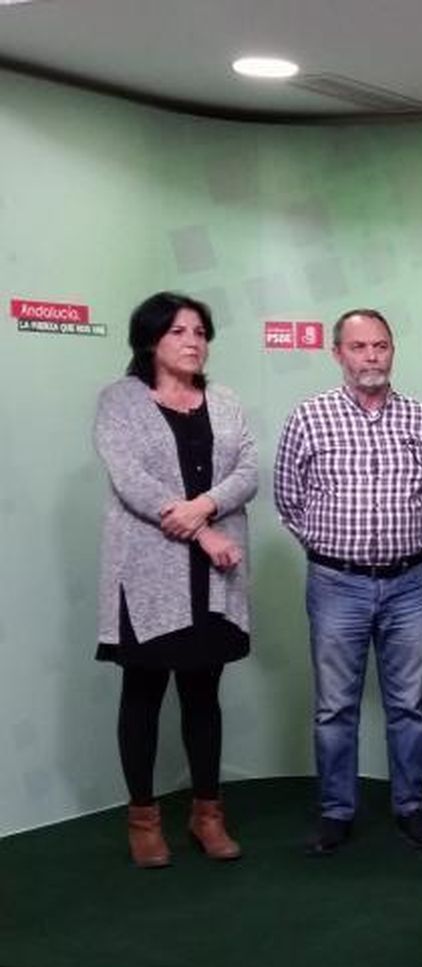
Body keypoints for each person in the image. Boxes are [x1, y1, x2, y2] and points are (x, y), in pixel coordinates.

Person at [274, 309, 422, 856]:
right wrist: (335, 551)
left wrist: (402, 543)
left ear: (392, 351)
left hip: (407, 582)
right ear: (338, 354)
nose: (371, 356)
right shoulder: (308, 418)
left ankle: (411, 807)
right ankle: (335, 811)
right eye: (358, 347)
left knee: (409, 705)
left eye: (380, 346)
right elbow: (288, 499)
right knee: (334, 707)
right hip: (336, 583)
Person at [95, 292, 256, 867]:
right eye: (178, 331)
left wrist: (206, 506)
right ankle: (143, 820)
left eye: (200, 332)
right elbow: (131, 479)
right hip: (150, 571)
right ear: (150, 340)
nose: (193, 341)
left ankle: (207, 815)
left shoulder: (226, 401)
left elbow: (248, 471)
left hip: (214, 580)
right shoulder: (120, 402)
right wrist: (204, 531)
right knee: (142, 694)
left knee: (202, 694)